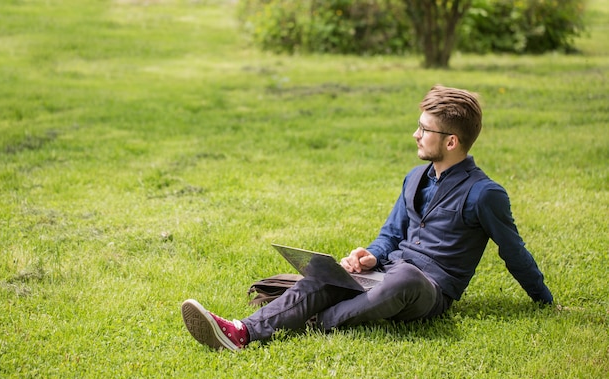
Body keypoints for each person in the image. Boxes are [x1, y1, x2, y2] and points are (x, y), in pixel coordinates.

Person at [181, 85, 553, 351]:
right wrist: (370, 255)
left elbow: (514, 251)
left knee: (405, 275)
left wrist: (546, 301)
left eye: (424, 129)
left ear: (452, 141)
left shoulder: (485, 193)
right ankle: (239, 332)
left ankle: (315, 320)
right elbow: (391, 234)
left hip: (427, 289)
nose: (415, 134)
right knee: (327, 271)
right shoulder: (414, 177)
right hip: (385, 272)